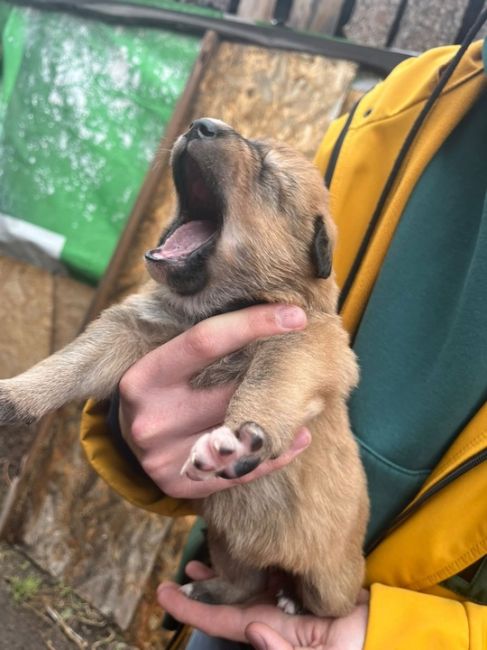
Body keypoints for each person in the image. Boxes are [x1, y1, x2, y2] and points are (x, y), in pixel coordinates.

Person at [80, 36, 487, 649]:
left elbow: (324, 354)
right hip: (229, 586)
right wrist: (135, 423)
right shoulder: (416, 95)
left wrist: (411, 638)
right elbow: (221, 303)